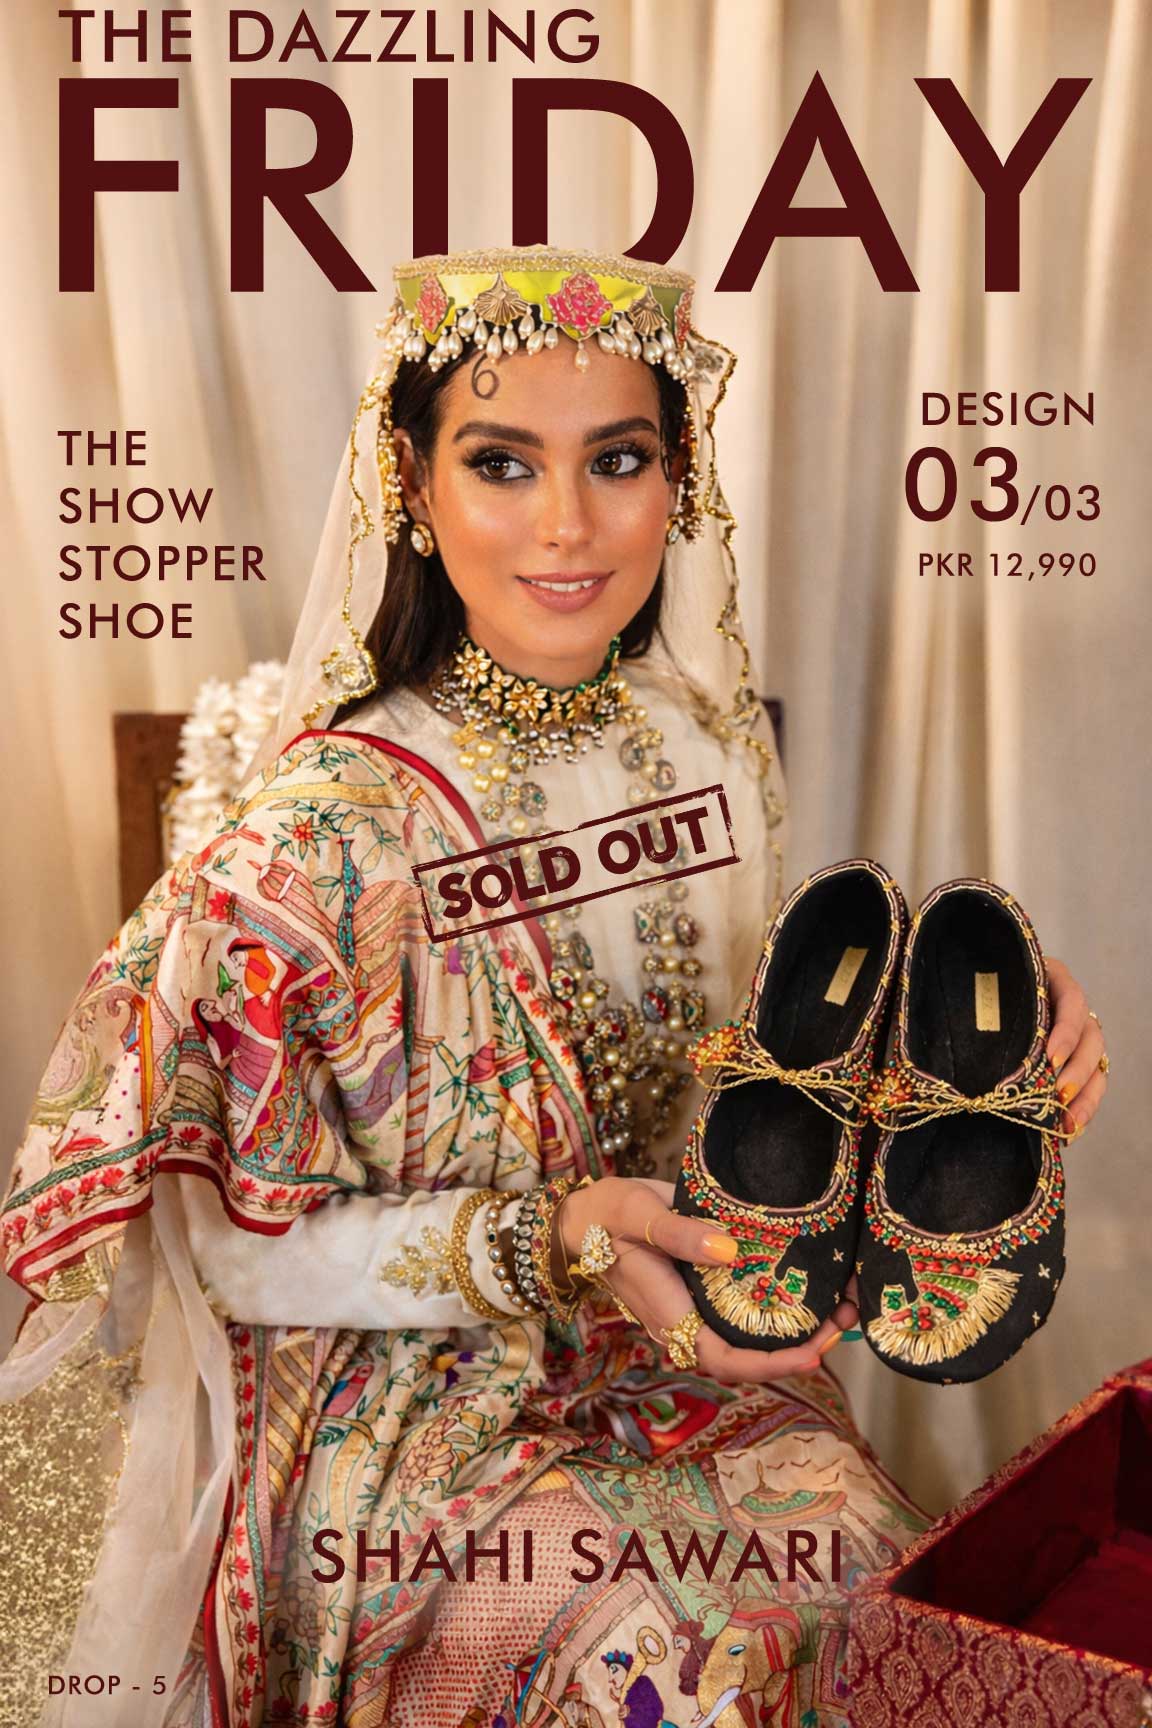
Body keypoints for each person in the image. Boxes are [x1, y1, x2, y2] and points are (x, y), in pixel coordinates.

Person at [0, 245, 1106, 1728]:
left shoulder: (701, 748)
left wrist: (970, 1056)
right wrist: (551, 1239)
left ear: (678, 481)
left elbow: (745, 1083)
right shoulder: (314, 840)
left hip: (688, 1337)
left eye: (620, 460)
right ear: (413, 483)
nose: (568, 524)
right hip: (403, 1405)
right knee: (682, 1670)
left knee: (888, 1622)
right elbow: (226, 1255)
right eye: (503, 463)